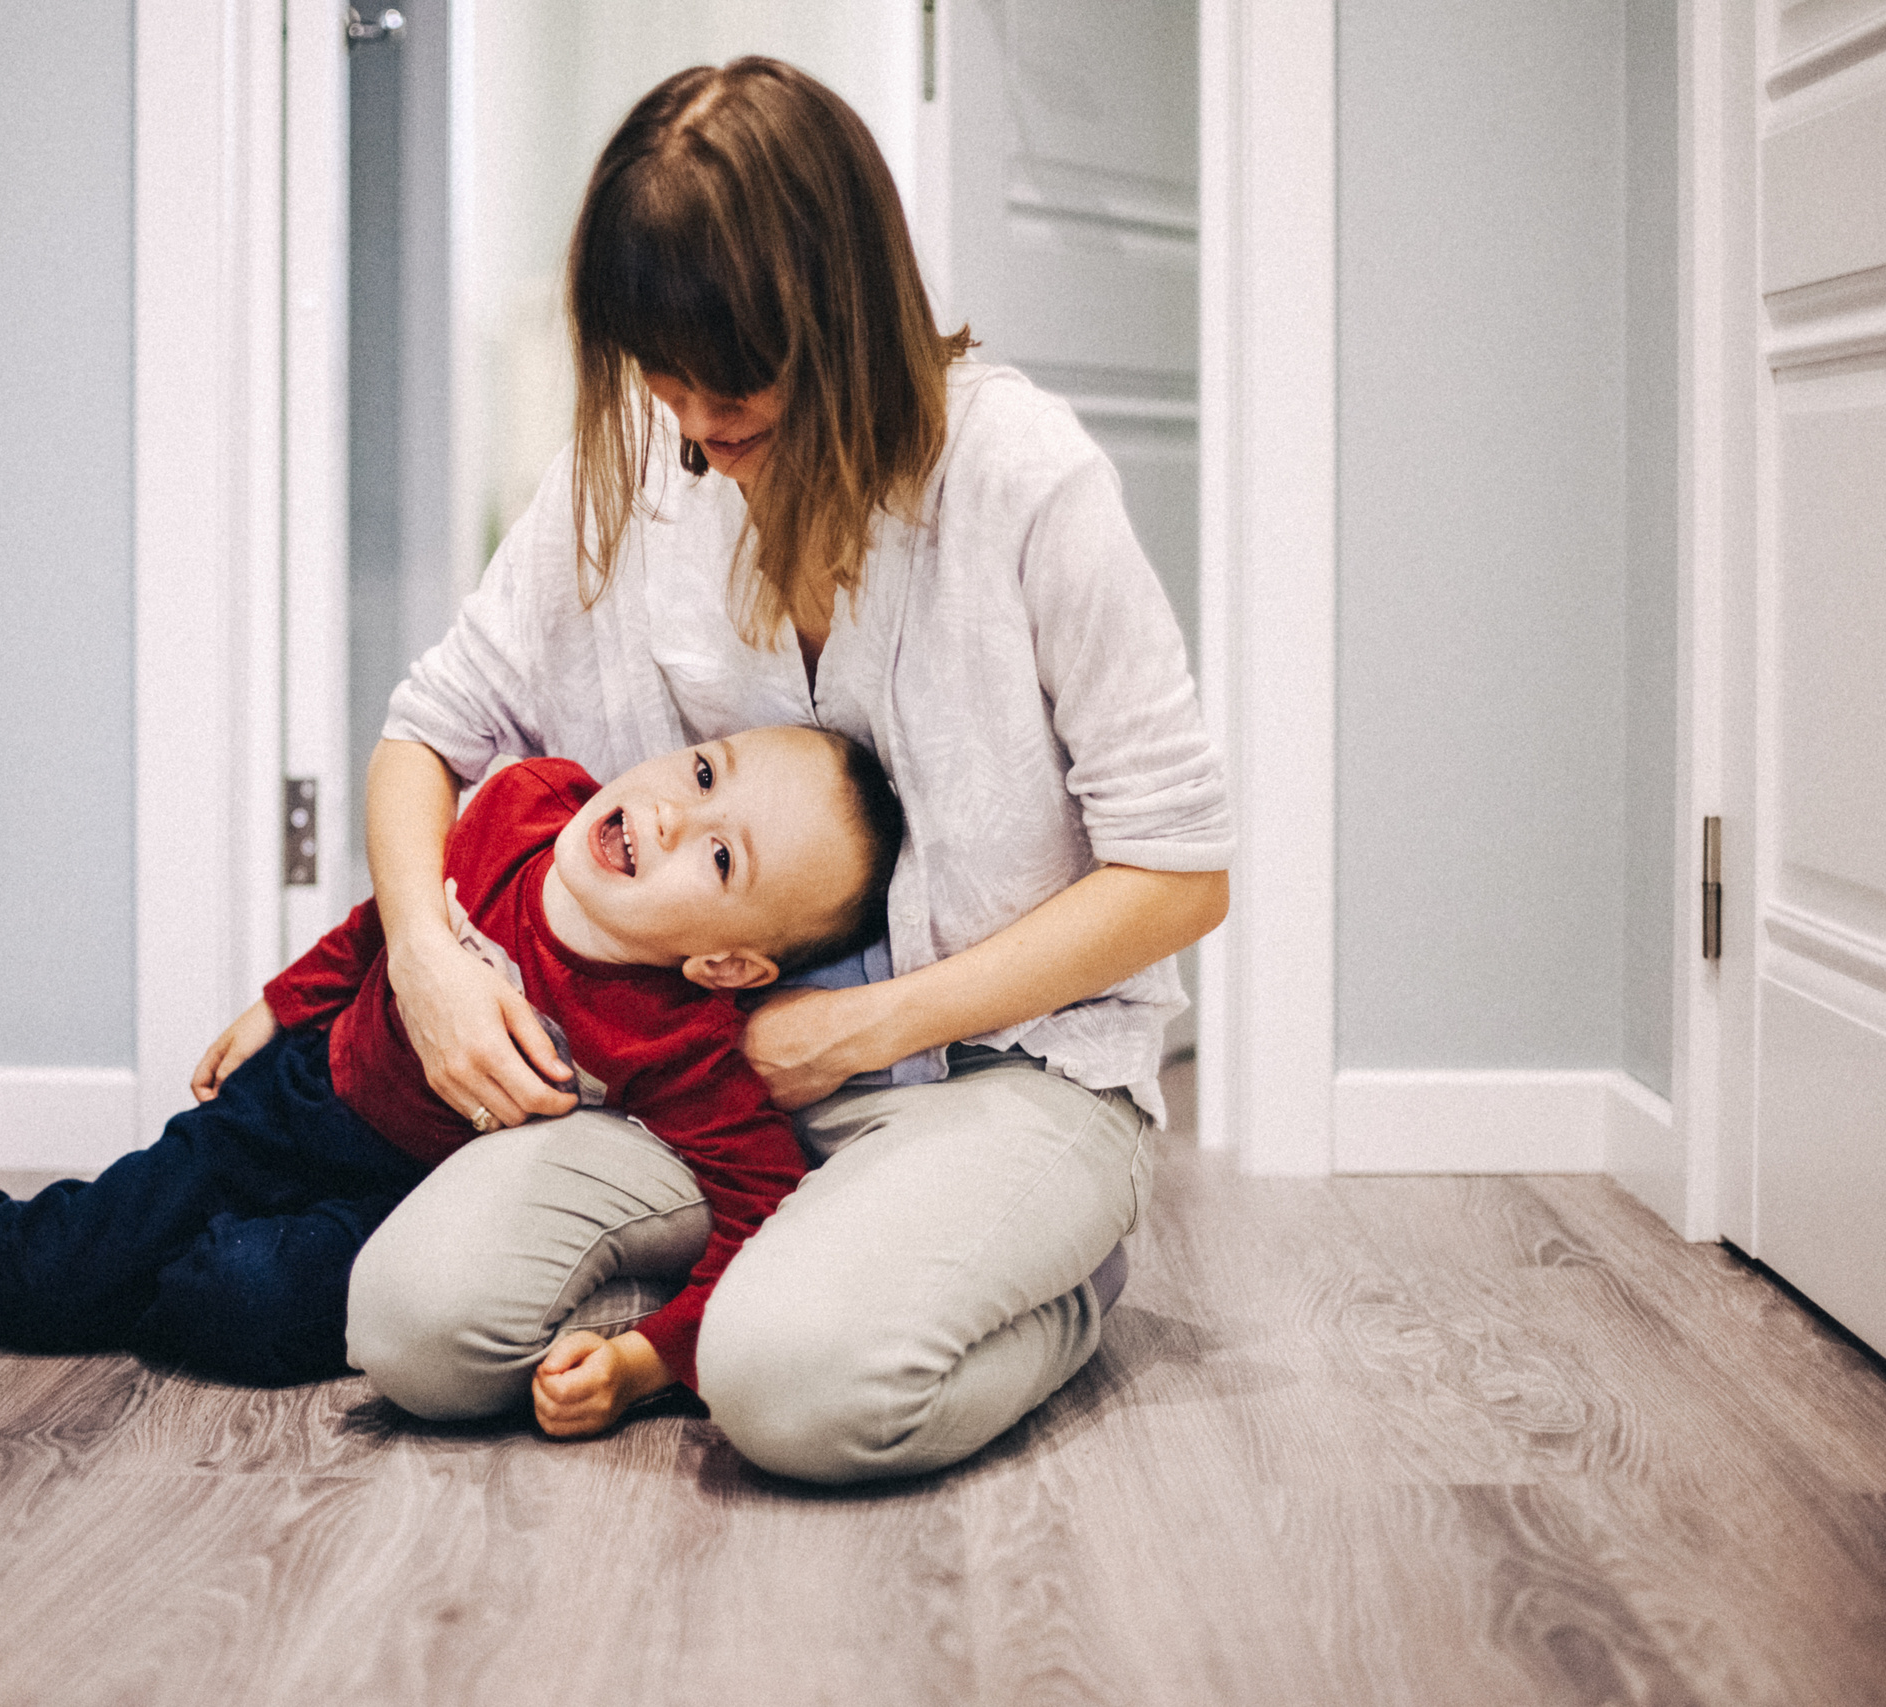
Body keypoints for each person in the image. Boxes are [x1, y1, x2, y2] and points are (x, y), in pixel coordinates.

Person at [339, 58, 1232, 1483]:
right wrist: (426, 961)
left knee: (788, 1396)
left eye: (727, 377)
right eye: (657, 372)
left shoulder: (1021, 481)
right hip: (711, 1084)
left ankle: (1040, 1288)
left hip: (1018, 1073)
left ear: (839, 319)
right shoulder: (641, 456)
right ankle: (772, 1288)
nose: (691, 419)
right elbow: (423, 734)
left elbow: (1181, 876)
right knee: (410, 1328)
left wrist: (861, 1027)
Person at [0, 725, 904, 1437]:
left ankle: (149, 1271)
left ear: (726, 966)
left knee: (243, 1306)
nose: (671, 812)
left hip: (394, 1201)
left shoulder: (681, 1044)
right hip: (288, 1103)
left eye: (720, 858)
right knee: (51, 1278)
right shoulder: (523, 806)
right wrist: (281, 1003)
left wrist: (645, 1360)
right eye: (703, 770)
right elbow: (385, 917)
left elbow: (761, 1210)